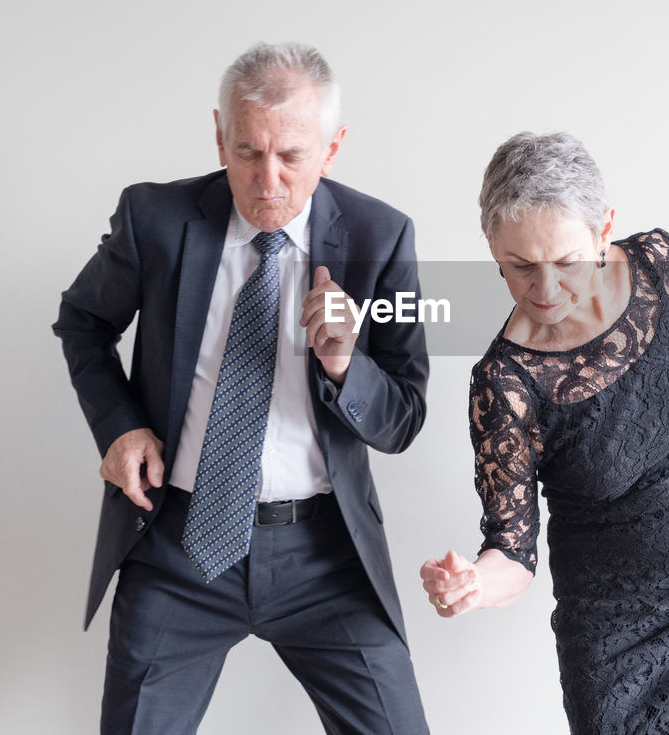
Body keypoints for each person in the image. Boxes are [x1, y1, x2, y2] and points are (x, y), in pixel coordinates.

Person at [55, 42, 430, 734]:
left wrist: (348, 364)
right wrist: (119, 426)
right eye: (248, 152)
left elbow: (403, 417)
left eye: (291, 156)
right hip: (178, 548)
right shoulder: (156, 221)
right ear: (220, 136)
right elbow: (82, 320)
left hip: (324, 560)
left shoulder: (381, 238)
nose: (267, 180)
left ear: (332, 148)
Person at [421, 132, 669, 735]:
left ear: (604, 230)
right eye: (520, 266)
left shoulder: (662, 260)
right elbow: (514, 555)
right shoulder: (506, 383)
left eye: (566, 261)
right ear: (493, 248)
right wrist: (472, 583)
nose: (545, 291)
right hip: (624, 652)